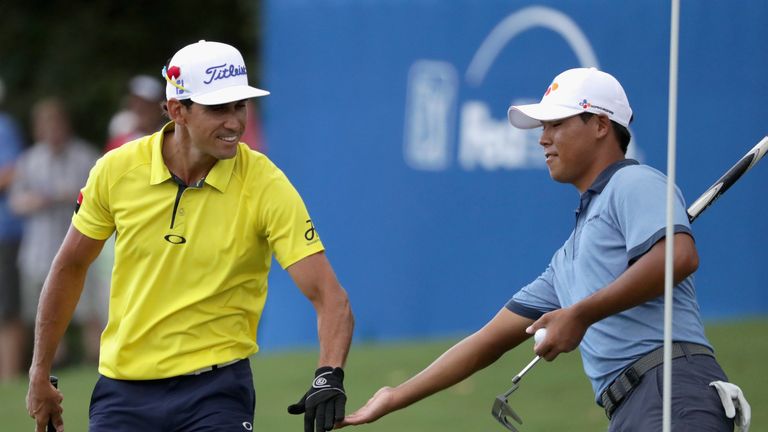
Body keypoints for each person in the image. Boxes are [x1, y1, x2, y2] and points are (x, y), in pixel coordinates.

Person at [338, 68, 749, 431]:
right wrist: (395, 396)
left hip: (672, 390)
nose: (543, 139)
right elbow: (487, 342)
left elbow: (678, 257)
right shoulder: (567, 259)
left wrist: (581, 314)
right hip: (632, 407)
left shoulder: (634, 183)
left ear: (601, 125)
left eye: (556, 124)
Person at [25, 40, 354, 432]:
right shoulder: (116, 171)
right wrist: (39, 372)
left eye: (240, 106)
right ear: (177, 110)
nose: (234, 122)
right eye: (218, 108)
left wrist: (328, 374)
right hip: (123, 393)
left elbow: (329, 297)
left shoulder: (265, 183)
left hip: (216, 393)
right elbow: (71, 266)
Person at [9, 98, 102, 365]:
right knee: (43, 313)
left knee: (88, 310)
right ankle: (52, 364)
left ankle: (94, 359)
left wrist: (70, 196)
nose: (53, 131)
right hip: (38, 251)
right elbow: (16, 202)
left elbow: (102, 196)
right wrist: (38, 200)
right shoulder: (29, 160)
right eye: (46, 125)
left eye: (57, 124)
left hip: (81, 246)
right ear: (38, 129)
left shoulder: (85, 155)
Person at [0, 76, 26, 382]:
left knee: (8, 307)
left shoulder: (4, 127)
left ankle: (9, 375)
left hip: (5, 230)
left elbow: (10, 172)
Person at [104, 74, 165, 153]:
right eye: (136, 100)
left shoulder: (166, 131)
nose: (139, 106)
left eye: (146, 103)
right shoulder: (120, 122)